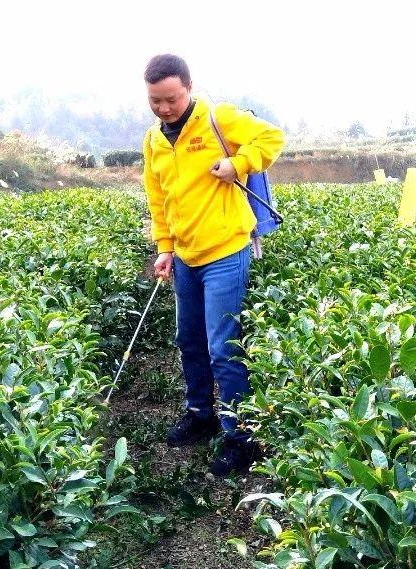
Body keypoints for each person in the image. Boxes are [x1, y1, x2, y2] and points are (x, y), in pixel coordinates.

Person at [141, 54, 285, 476]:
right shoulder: (153, 141)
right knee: (189, 341)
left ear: (188, 86)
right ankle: (200, 413)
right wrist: (165, 247)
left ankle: (242, 439)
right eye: (155, 101)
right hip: (185, 255)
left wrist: (237, 164)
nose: (164, 108)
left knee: (223, 347)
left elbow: (272, 138)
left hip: (225, 250)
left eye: (170, 98)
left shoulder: (218, 118)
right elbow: (159, 199)